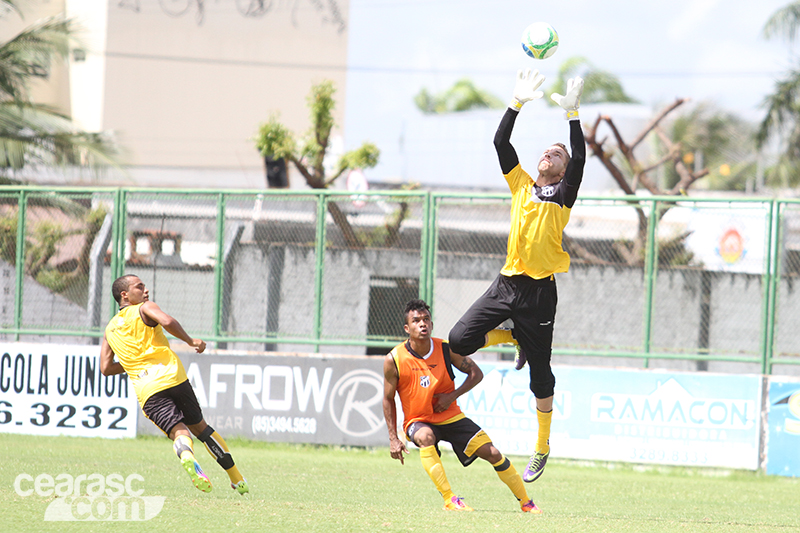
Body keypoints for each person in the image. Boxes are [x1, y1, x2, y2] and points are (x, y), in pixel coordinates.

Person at [448, 69, 586, 484]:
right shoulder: (522, 184)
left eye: (556, 155)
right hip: (507, 284)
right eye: (547, 151)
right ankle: (514, 337)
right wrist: (516, 102)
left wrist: (573, 116)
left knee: (541, 378)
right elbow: (500, 143)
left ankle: (542, 446)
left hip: (540, 293)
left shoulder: (562, 192)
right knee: (457, 340)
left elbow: (580, 157)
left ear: (562, 171)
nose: (550, 155)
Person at [383, 299, 541, 513]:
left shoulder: (446, 349)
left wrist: (451, 397)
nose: (422, 324)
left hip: (451, 416)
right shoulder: (394, 359)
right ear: (407, 327)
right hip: (418, 421)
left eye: (426, 320)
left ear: (431, 324)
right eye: (416, 321)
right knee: (425, 437)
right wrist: (393, 438)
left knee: (493, 453)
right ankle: (450, 499)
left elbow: (476, 373)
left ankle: (526, 502)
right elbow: (388, 398)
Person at [100, 274, 248, 495]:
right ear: (125, 294)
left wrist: (134, 362)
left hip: (148, 390)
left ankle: (187, 455)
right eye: (140, 287)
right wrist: (190, 341)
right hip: (174, 377)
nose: (146, 291)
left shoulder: (110, 330)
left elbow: (106, 368)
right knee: (202, 428)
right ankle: (237, 478)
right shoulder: (144, 308)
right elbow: (167, 321)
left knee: (180, 432)